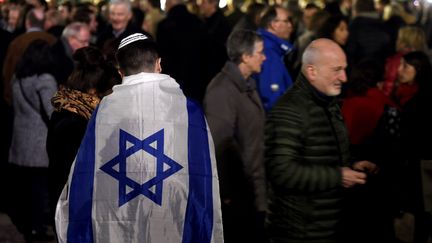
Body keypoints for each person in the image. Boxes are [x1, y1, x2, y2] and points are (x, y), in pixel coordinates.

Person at [55, 33, 223, 242]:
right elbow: (201, 175)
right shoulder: (188, 110)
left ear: (120, 71)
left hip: (117, 213)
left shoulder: (105, 109)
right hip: (172, 212)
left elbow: (88, 169)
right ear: (159, 64)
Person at [265, 38, 377, 243]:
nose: (344, 77)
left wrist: (351, 164)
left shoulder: (329, 103)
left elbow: (322, 151)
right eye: (336, 70)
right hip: (301, 233)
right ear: (312, 71)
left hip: (327, 226)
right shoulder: (289, 110)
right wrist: (337, 175)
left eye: (344, 69)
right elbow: (281, 171)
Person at [204, 29, 266, 243]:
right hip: (240, 196)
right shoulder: (222, 91)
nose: (264, 57)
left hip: (254, 189)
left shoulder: (247, 85)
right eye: (260, 52)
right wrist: (229, 192)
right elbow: (220, 145)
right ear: (245, 56)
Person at [47, 46, 122, 225]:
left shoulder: (65, 108)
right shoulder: (79, 123)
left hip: (62, 201)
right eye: (109, 94)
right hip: (74, 207)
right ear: (93, 92)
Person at [8, 39, 57, 242]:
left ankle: (27, 225)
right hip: (39, 142)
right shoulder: (45, 80)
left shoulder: (17, 78)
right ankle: (37, 228)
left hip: (21, 140)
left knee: (25, 188)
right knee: (39, 189)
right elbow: (51, 111)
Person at [255, 5, 294, 111]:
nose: (290, 25)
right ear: (274, 24)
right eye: (286, 21)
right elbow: (272, 97)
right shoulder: (269, 52)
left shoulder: (270, 48)